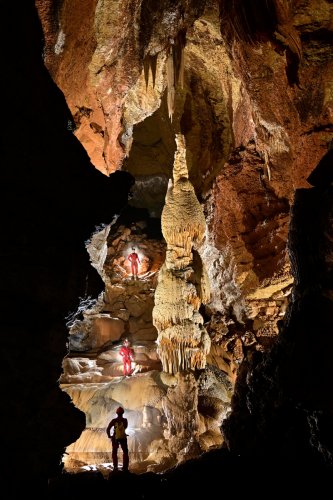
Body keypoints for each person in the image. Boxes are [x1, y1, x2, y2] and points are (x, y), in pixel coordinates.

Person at [106, 406, 129, 472]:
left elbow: (108, 429)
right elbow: (125, 427)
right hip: (123, 438)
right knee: (125, 452)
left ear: (116, 413)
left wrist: (109, 436)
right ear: (123, 413)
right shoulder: (125, 420)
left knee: (114, 452)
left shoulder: (114, 421)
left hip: (115, 438)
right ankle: (125, 467)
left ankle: (115, 467)